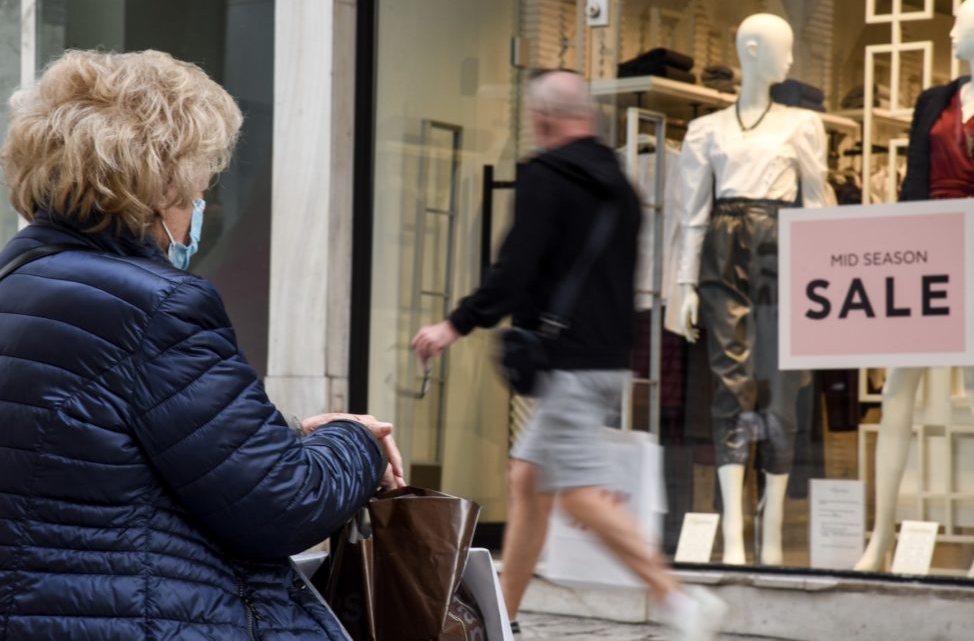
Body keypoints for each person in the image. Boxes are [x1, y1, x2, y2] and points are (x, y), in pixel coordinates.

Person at [0, 49, 404, 641]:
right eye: (196, 193)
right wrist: (357, 442)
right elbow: (285, 506)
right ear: (160, 189)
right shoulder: (158, 307)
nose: (198, 215)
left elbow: (105, 447)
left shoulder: (15, 283)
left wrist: (287, 436)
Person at [413, 70, 727, 641]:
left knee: (579, 493)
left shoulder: (547, 177)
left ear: (542, 119)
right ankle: (501, 619)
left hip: (570, 367)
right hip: (610, 359)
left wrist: (454, 324)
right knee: (529, 480)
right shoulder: (622, 185)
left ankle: (679, 600)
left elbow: (515, 269)